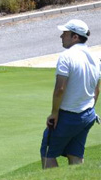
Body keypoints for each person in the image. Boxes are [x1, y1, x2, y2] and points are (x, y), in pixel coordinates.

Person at [40, 19, 100, 169]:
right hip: (88, 115)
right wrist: (89, 107)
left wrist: (54, 113)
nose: (61, 36)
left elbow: (60, 89)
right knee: (75, 154)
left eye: (65, 33)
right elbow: (97, 89)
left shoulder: (66, 56)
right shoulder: (95, 58)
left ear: (75, 37)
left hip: (68, 116)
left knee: (48, 152)